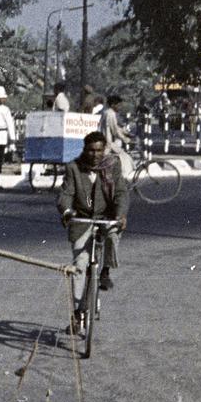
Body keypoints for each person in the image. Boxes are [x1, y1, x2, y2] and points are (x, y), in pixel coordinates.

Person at [56, 131, 129, 336]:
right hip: (82, 220)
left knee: (113, 234)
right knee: (79, 267)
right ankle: (78, 315)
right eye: (90, 150)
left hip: (106, 216)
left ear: (104, 149)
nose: (94, 155)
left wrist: (121, 214)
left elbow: (121, 192)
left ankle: (105, 270)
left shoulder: (113, 165)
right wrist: (67, 212)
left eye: (98, 150)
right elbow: (66, 194)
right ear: (84, 149)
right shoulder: (74, 168)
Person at [99, 94, 136, 180]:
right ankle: (122, 179)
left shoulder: (107, 112)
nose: (120, 107)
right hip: (108, 143)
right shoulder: (110, 114)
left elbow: (116, 128)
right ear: (113, 105)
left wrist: (125, 132)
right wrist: (126, 139)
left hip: (107, 141)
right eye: (118, 105)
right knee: (125, 158)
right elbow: (115, 131)